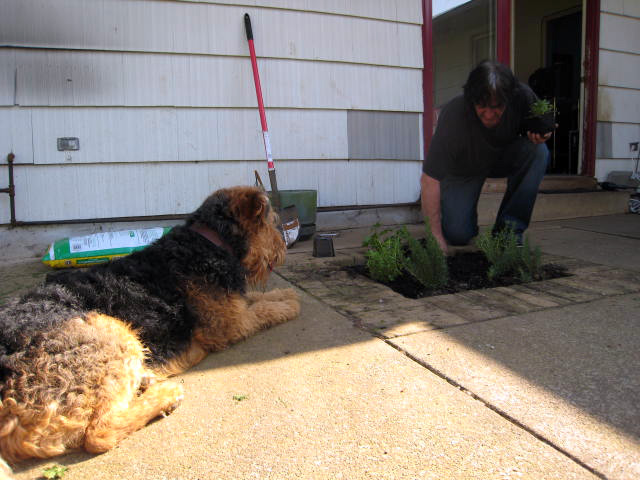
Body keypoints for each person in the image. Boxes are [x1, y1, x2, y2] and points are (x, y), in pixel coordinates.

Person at [421, 60, 553, 254]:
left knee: (538, 152)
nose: (490, 115)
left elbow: (545, 120)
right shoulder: (454, 113)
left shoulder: (522, 96)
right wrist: (434, 236)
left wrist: (544, 132)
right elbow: (429, 179)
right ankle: (457, 214)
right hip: (463, 170)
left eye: (497, 107)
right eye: (482, 106)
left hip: (501, 158)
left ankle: (508, 232)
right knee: (458, 235)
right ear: (471, 98)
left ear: (509, 99)